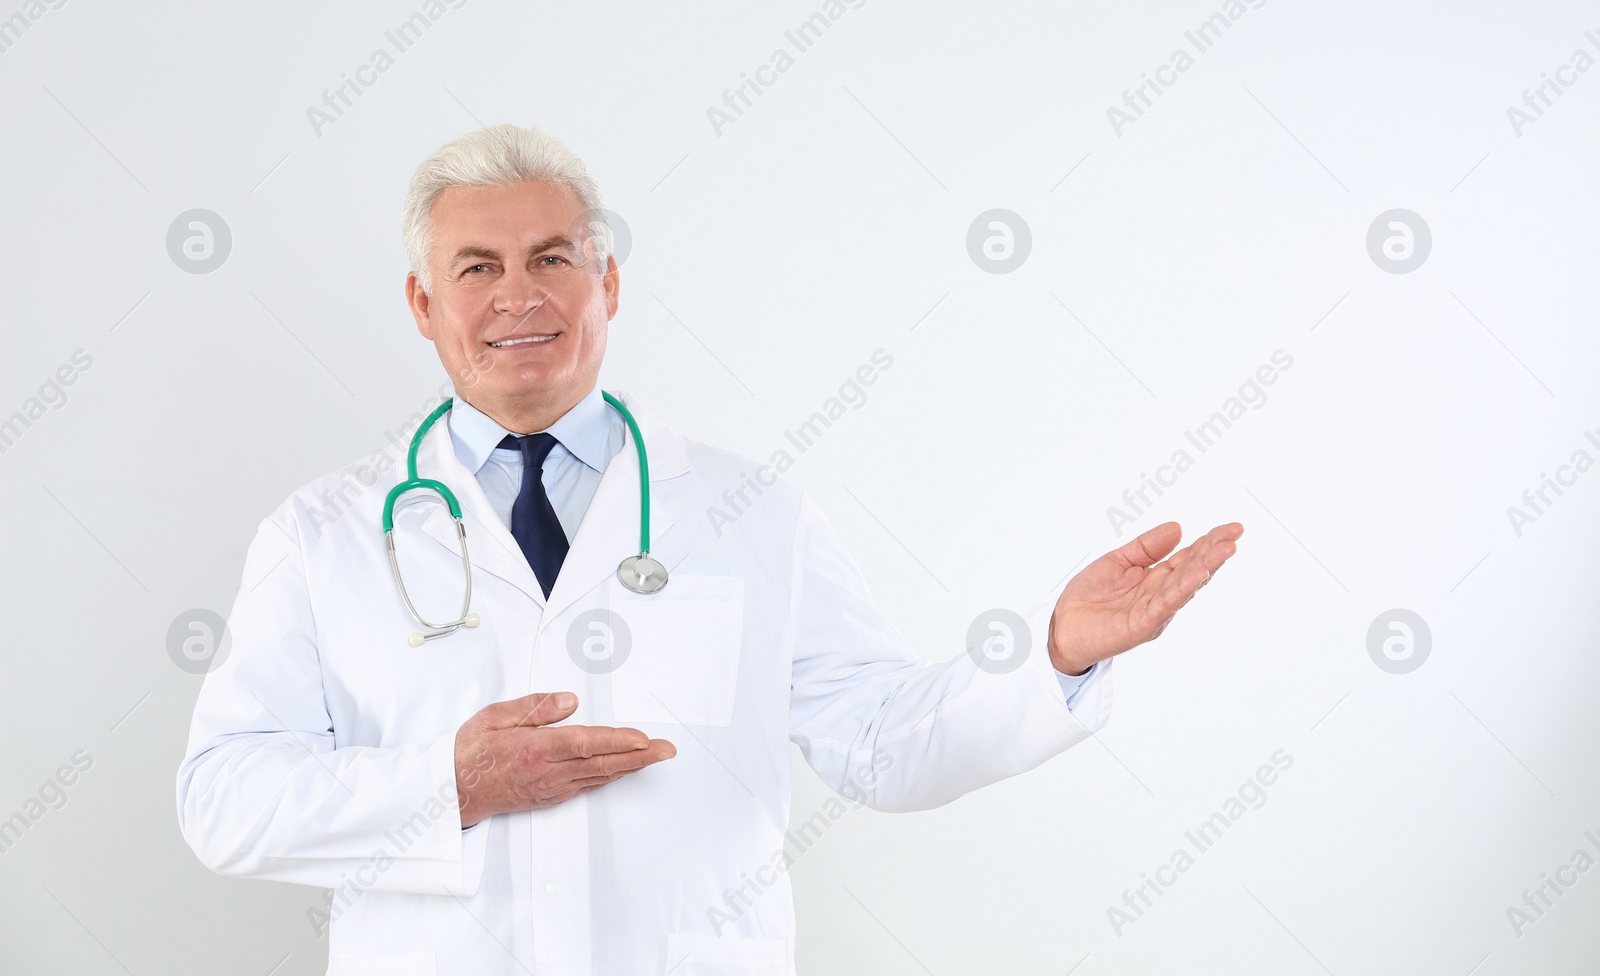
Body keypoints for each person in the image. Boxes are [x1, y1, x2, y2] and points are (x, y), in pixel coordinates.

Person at [175, 123, 1242, 976]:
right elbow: (222, 798)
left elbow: (881, 740)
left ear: (609, 284)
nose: (519, 293)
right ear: (423, 303)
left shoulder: (749, 511)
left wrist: (1053, 651)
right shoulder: (321, 534)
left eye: (553, 257)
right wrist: (449, 783)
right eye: (476, 266)